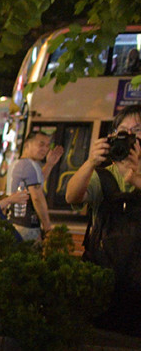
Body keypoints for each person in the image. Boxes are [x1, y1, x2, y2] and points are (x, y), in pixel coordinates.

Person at [65, 103, 141, 334]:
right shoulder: (104, 175)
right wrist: (90, 163)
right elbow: (72, 196)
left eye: (137, 130)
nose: (130, 137)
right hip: (103, 278)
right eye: (123, 131)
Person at [5, 129, 63, 241]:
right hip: (26, 226)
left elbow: (35, 183)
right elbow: (37, 197)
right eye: (41, 144)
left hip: (13, 223)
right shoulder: (30, 165)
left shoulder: (18, 163)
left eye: (47, 146)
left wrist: (49, 164)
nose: (45, 149)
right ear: (27, 144)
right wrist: (47, 228)